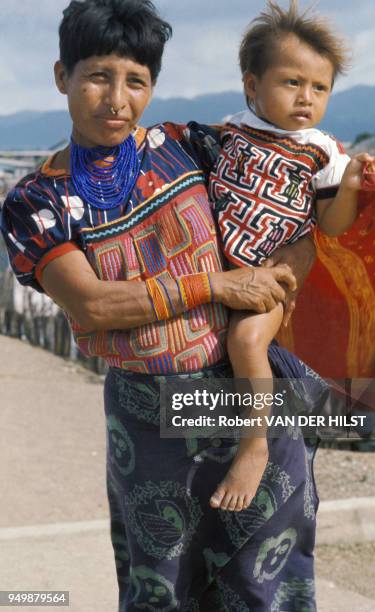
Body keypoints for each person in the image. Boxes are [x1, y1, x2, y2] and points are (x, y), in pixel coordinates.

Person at [0, 1, 325, 609]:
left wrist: (279, 282)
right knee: (162, 586)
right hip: (148, 419)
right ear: (60, 75)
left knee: (265, 586)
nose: (116, 99)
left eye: (136, 81)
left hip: (243, 396)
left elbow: (295, 203)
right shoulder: (39, 200)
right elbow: (93, 306)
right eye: (97, 75)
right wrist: (220, 287)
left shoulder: (192, 147)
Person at [207, 0, 374, 512]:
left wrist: (348, 184)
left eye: (319, 88)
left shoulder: (321, 150)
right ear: (252, 85)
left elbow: (331, 225)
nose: (306, 97)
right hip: (220, 269)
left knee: (246, 337)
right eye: (291, 83)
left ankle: (254, 444)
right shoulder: (225, 133)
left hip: (277, 277)